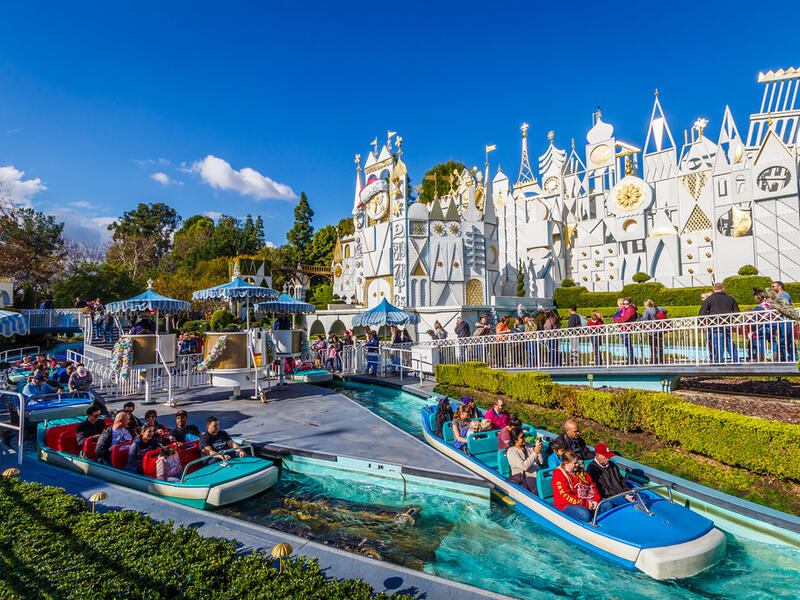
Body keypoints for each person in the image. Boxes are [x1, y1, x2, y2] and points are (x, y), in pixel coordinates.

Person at [551, 450, 601, 522]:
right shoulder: (558, 476)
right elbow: (565, 497)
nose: (577, 465)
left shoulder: (580, 472)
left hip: (586, 499)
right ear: (566, 463)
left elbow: (592, 486)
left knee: (607, 505)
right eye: (574, 463)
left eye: (577, 462)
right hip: (566, 504)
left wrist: (596, 500)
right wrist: (585, 504)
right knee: (585, 514)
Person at [698, 283, 740, 363]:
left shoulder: (709, 299)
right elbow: (737, 313)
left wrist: (700, 324)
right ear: (723, 288)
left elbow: (701, 313)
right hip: (727, 323)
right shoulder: (730, 299)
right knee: (729, 341)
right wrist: (731, 320)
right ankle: (735, 359)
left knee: (718, 342)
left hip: (714, 324)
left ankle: (719, 360)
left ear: (714, 289)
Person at [586, 443, 636, 509]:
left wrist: (627, 493)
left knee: (642, 496)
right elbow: (602, 490)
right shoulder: (592, 469)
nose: (608, 459)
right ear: (598, 455)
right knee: (626, 502)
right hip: (609, 496)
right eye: (606, 457)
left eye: (609, 457)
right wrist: (623, 496)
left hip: (621, 493)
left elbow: (621, 481)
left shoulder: (612, 465)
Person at [506, 426, 544, 493]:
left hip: (536, 474)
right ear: (515, 439)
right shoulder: (511, 451)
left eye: (524, 436)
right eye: (522, 437)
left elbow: (541, 462)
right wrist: (535, 452)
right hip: (523, 477)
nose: (524, 438)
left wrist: (538, 449)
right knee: (538, 490)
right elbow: (524, 467)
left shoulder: (528, 445)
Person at [770, 280, 795, 361]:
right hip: (783, 320)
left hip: (786, 320)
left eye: (773, 286)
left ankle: (788, 358)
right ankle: (791, 358)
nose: (772, 288)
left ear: (779, 286)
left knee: (785, 339)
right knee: (786, 339)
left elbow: (783, 307)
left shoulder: (783, 295)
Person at [613, 297, 638, 364]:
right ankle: (632, 359)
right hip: (625, 328)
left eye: (627, 304)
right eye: (624, 304)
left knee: (628, 345)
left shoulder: (630, 310)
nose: (625, 305)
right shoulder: (627, 309)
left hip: (627, 329)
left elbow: (625, 318)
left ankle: (631, 360)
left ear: (630, 303)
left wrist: (616, 319)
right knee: (628, 344)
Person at [642, 299, 667, 364]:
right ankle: (662, 360)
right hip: (660, 329)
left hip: (652, 331)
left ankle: (654, 359)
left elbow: (645, 320)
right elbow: (665, 311)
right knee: (660, 345)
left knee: (652, 346)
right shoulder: (658, 308)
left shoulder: (646, 311)